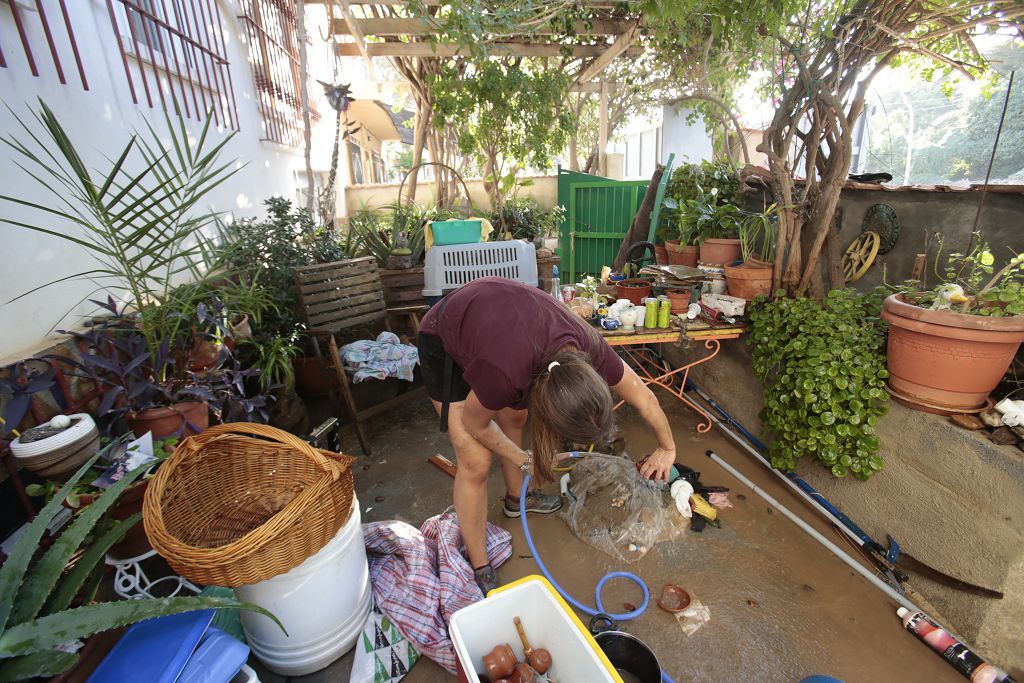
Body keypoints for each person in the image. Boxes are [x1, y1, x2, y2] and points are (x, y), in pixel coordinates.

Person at [417, 277, 677, 594]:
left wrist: (667, 447)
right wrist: (523, 459)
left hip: (498, 322)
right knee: (475, 463)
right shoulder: (503, 375)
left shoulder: (591, 348)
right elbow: (476, 423)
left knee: (514, 414)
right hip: (445, 333)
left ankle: (518, 500)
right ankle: (479, 564)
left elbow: (645, 398)